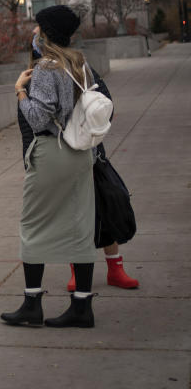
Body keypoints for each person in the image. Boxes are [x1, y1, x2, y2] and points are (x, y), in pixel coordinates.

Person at [3, 5, 99, 329]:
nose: (34, 32)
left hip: (53, 150)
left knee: (33, 224)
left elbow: (38, 117)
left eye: (37, 27)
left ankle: (32, 305)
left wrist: (19, 91)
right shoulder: (79, 63)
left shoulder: (46, 66)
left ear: (47, 32)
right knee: (80, 224)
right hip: (81, 152)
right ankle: (82, 307)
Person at [19, 42, 140, 292]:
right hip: (57, 156)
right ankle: (77, 272)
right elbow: (28, 124)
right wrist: (30, 159)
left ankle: (115, 269)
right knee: (72, 215)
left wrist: (92, 135)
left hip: (89, 151)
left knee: (104, 206)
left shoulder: (80, 68)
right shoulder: (36, 76)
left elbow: (104, 104)